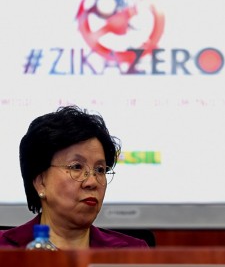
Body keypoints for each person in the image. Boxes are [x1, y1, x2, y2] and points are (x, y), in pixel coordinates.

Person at [0, 105, 155, 249]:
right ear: (41, 182)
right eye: (76, 167)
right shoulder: (5, 249)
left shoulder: (131, 252)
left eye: (100, 170)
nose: (92, 182)